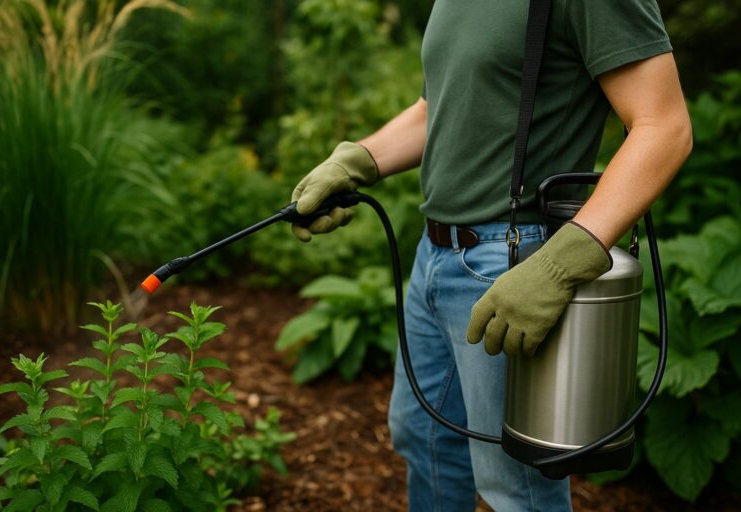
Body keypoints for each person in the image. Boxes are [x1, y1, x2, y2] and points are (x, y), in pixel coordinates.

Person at [289, 1, 692, 510]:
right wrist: (354, 162)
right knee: (424, 440)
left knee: (516, 489)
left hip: (515, 268)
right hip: (433, 256)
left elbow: (664, 127)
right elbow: (440, 105)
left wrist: (559, 265)